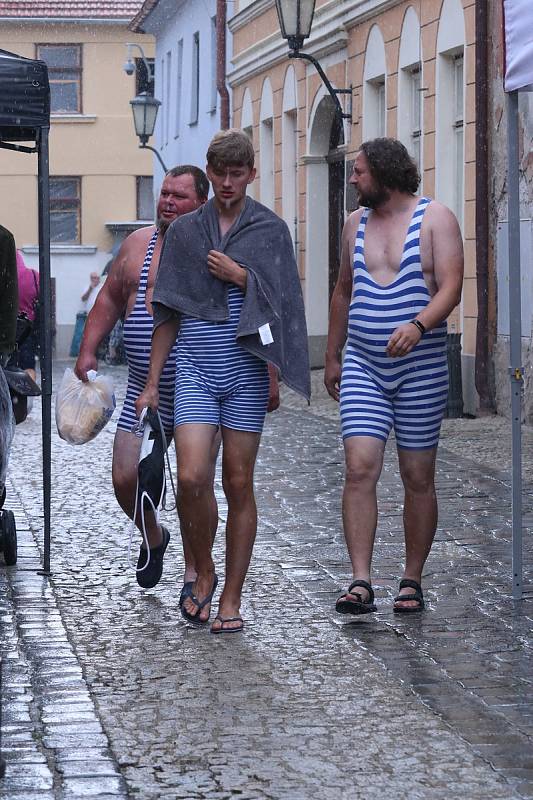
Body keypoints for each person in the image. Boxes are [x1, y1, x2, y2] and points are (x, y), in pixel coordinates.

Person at [136, 129, 310, 633]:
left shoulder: (270, 231)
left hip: (246, 372)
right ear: (209, 175)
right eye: (221, 173)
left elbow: (284, 309)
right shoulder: (187, 231)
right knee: (191, 477)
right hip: (193, 365)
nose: (229, 182)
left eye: (238, 173)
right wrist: (151, 382)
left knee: (237, 483)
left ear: (252, 173)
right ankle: (204, 569)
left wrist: (241, 278)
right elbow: (166, 309)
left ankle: (231, 597)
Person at [325, 137, 463, 614]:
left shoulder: (435, 218)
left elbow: (451, 286)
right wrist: (333, 354)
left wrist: (419, 324)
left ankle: (411, 578)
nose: (354, 178)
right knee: (359, 468)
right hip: (364, 363)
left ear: (383, 173)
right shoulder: (353, 224)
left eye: (360, 171)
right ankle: (360, 580)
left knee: (417, 475)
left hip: (421, 367)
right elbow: (344, 290)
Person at [75, 166, 213, 592]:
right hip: (141, 387)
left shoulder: (211, 247)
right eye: (164, 194)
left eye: (179, 196)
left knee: (194, 484)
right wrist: (87, 348)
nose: (168, 202)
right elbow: (112, 296)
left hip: (195, 385)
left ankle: (195, 574)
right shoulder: (137, 244)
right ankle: (153, 536)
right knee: (123, 476)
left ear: (201, 204)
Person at [12, 250, 40, 383]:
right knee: (28, 365)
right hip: (27, 328)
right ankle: (28, 396)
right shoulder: (34, 275)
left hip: (7, 328)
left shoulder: (5, 276)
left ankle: (10, 396)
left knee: (7, 365)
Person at [70, 272, 102, 358]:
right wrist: (90, 289)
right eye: (93, 278)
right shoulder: (87, 287)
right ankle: (76, 353)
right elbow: (83, 298)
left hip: (97, 315)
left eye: (96, 278)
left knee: (94, 335)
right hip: (84, 314)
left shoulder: (101, 288)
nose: (95, 280)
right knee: (79, 334)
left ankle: (93, 353)